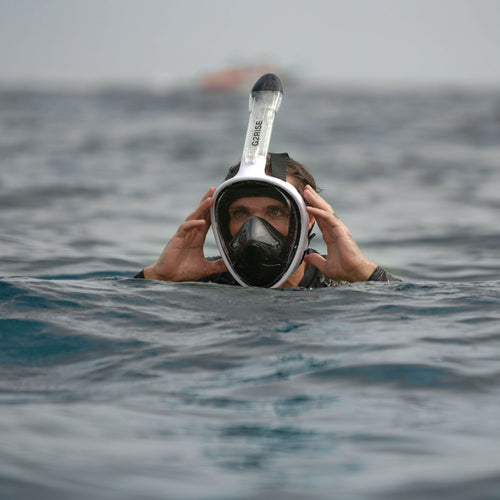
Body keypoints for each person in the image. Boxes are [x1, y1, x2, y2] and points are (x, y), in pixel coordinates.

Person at [135, 154, 398, 288]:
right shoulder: (206, 284)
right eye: (240, 214)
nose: (255, 229)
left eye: (275, 212)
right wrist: (158, 277)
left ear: (308, 220)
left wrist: (363, 274)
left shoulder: (337, 284)